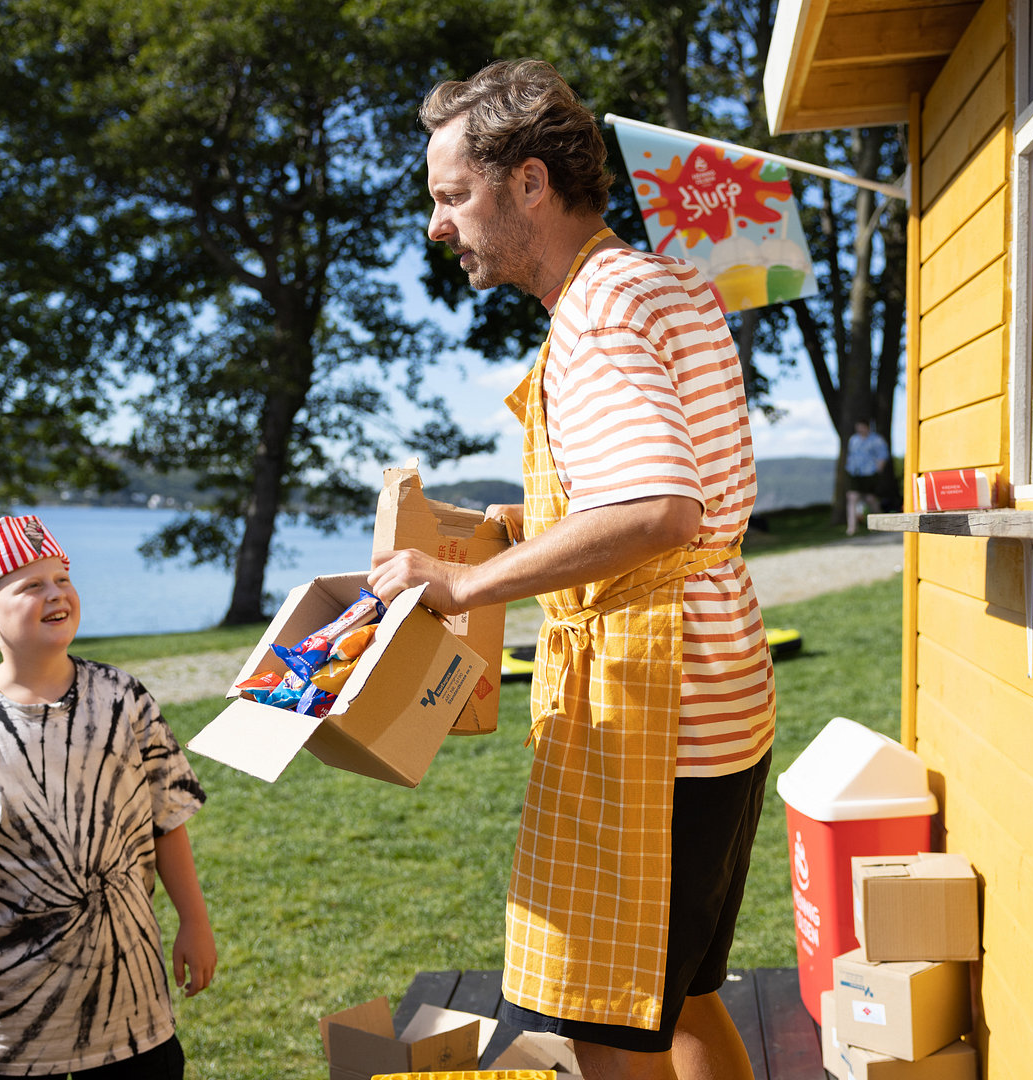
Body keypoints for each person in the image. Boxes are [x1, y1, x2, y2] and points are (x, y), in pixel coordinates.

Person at [368, 60, 776, 1080]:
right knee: (678, 1004)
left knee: (600, 1026)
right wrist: (515, 523)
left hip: (656, 725)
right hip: (722, 698)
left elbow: (656, 509)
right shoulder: (662, 281)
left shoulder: (596, 317)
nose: (439, 225)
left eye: (452, 195)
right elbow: (660, 495)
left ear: (531, 184)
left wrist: (459, 586)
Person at [0, 515, 215, 1079]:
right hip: (5, 1029)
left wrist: (194, 922)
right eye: (30, 585)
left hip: (132, 1015)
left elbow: (167, 818)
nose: (55, 593)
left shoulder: (123, 699)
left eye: (61, 578)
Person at [844, 420, 891, 535]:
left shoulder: (876, 440)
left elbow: (883, 455)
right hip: (855, 472)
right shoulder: (854, 440)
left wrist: (878, 469)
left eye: (862, 427)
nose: (860, 430)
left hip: (870, 473)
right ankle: (852, 528)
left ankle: (879, 524)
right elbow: (851, 454)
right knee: (852, 497)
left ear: (867, 427)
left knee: (870, 499)